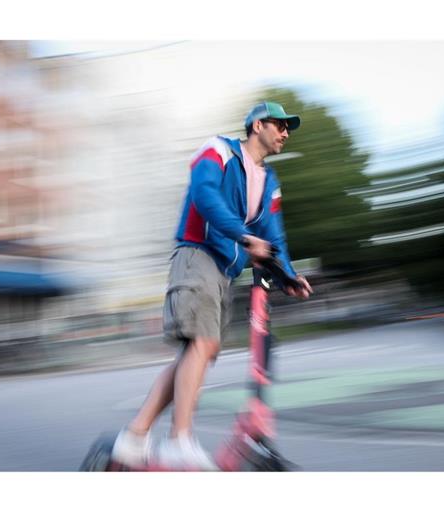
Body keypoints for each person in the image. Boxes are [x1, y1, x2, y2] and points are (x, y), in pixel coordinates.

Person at [111, 101, 313, 470]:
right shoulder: (218, 150)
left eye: (288, 128)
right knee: (201, 346)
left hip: (224, 270)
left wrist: (288, 274)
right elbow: (205, 196)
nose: (286, 133)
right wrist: (242, 236)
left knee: (200, 353)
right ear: (257, 125)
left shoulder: (269, 182)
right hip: (197, 255)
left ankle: (134, 438)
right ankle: (179, 441)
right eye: (280, 125)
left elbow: (273, 234)